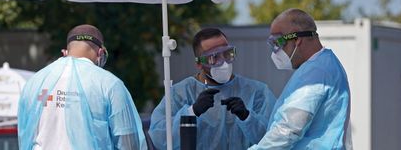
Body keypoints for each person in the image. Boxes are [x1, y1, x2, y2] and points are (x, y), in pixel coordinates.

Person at [18, 24, 147, 150]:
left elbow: (25, 133)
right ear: (100, 53)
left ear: (66, 52)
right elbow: (128, 142)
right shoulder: (109, 84)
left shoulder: (35, 81)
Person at [149, 28, 276, 149]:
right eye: (213, 57)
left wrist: (247, 117)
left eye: (227, 53)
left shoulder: (257, 92)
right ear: (199, 64)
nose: (224, 62)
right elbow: (160, 139)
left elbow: (275, 138)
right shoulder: (180, 94)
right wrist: (192, 112)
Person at [249, 8, 352, 149]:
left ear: (296, 39)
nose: (275, 52)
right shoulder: (326, 63)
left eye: (277, 42)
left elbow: (289, 129)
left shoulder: (316, 73)